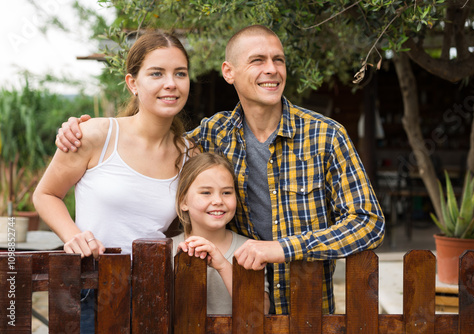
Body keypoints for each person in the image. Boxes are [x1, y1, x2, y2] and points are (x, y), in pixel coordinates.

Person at [56, 25, 385, 315]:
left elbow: (369, 223)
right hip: (237, 311)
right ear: (229, 72)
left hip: (307, 307)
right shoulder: (213, 135)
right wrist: (78, 130)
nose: (271, 69)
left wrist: (282, 248)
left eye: (278, 60)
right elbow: (152, 144)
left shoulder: (326, 136)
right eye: (258, 60)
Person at [34, 31, 194, 333]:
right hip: (89, 286)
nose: (170, 83)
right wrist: (73, 236)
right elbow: (45, 194)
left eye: (180, 73)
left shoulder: (190, 154)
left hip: (154, 290)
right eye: (156, 73)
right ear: (133, 83)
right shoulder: (95, 134)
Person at [172, 152, 270, 314]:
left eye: (226, 192)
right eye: (206, 192)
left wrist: (223, 266)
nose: (218, 201)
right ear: (183, 201)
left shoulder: (250, 250)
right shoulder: (168, 250)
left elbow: (261, 312)